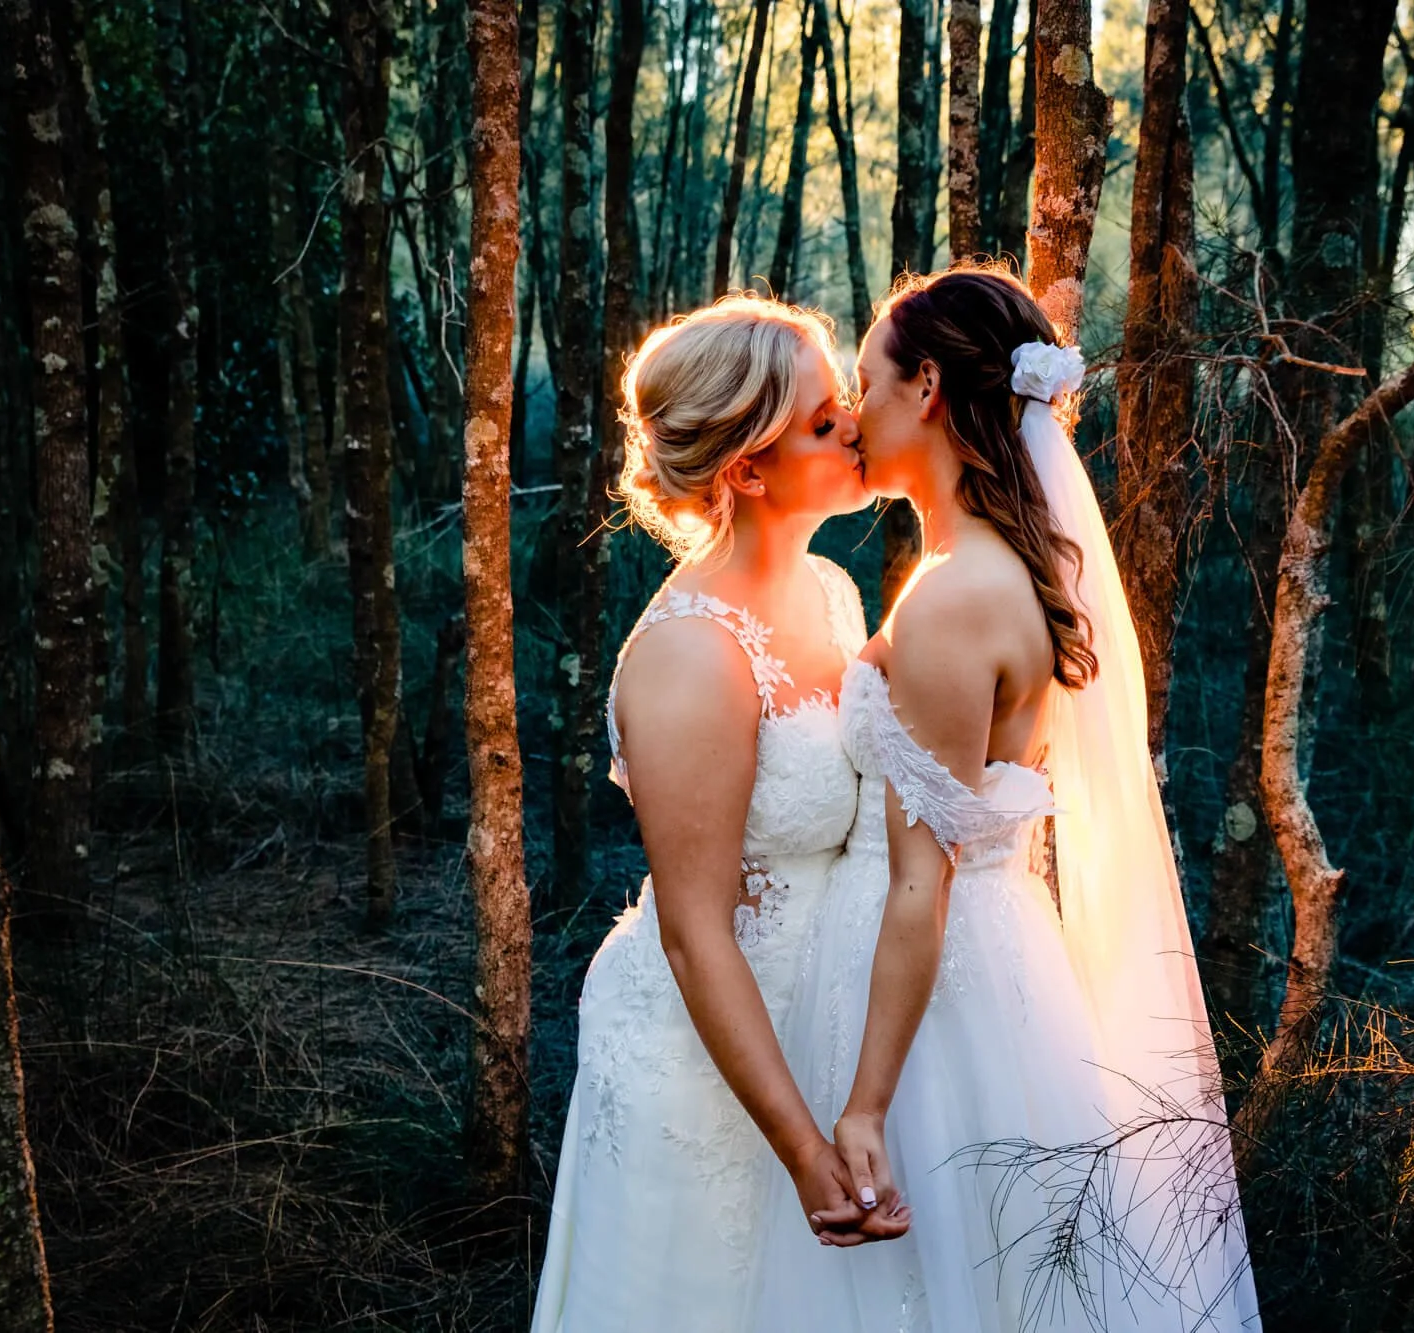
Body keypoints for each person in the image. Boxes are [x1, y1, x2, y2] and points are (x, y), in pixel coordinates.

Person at [759, 267, 1259, 1330]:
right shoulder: (985, 569)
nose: (852, 412)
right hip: (992, 956)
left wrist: (863, 1106)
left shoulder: (952, 598)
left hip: (933, 998)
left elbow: (916, 884)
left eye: (866, 382)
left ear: (926, 386)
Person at [530, 296, 909, 1333]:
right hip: (709, 1061)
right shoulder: (689, 657)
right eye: (824, 420)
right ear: (746, 468)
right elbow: (698, 934)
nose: (855, 425)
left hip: (818, 1018)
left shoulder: (832, 590)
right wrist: (800, 1149)